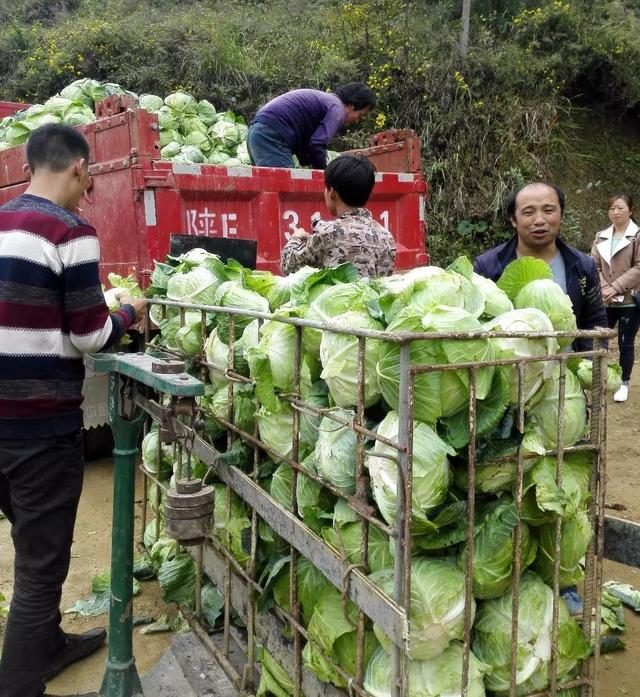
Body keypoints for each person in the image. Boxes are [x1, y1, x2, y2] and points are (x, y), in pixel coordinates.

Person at [0, 124, 147, 697]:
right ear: (81, 168)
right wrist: (131, 312)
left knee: (32, 542)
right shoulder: (70, 230)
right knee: (40, 569)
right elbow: (90, 334)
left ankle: (51, 645)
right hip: (39, 430)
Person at [474, 182, 607, 353]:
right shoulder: (488, 267)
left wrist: (587, 367)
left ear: (561, 215)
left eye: (549, 210)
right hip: (510, 372)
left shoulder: (582, 265)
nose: (539, 220)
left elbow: (595, 322)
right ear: (513, 220)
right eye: (528, 212)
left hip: (566, 374)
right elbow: (475, 324)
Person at [280, 154, 396, 277]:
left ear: (332, 193)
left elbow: (288, 266)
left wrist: (296, 238)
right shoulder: (386, 237)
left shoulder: (328, 233)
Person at [247, 82, 376, 170]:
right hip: (271, 136)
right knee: (283, 191)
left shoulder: (325, 101)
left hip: (257, 132)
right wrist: (325, 175)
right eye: (360, 115)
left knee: (267, 188)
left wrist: (307, 162)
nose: (357, 121)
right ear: (352, 105)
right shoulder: (337, 109)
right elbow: (317, 144)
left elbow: (306, 144)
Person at [591, 193, 640, 402]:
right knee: (597, 339)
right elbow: (593, 265)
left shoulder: (636, 236)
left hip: (629, 299)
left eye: (620, 208)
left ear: (630, 210)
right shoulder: (601, 235)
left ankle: (624, 382)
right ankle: (596, 380)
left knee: (625, 342)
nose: (615, 212)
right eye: (612, 208)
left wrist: (617, 287)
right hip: (605, 299)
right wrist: (604, 287)